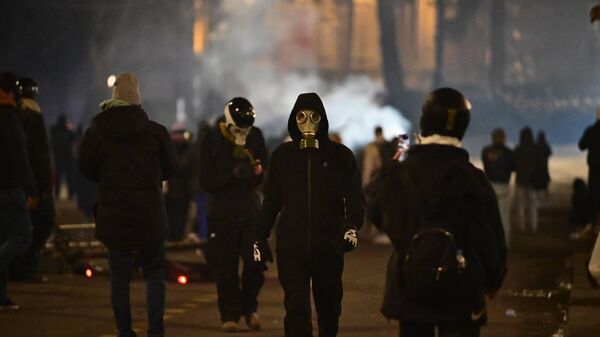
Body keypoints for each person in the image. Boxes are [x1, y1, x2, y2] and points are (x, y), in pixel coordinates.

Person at [367, 88, 507, 337]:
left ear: (425, 120)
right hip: (461, 285)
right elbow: (490, 234)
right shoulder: (473, 178)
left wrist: (397, 160)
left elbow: (376, 207)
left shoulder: (401, 171)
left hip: (411, 282)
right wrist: (494, 277)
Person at [257, 92, 365, 337]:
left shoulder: (340, 156)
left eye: (314, 117)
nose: (307, 123)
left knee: (329, 309)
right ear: (293, 120)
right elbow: (271, 200)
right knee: (296, 310)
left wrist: (351, 226)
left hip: (329, 245)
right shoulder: (283, 156)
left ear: (322, 120)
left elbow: (354, 195)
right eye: (302, 117)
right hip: (291, 247)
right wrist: (259, 236)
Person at [79, 72, 178, 337]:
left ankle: (125, 330)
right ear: (137, 98)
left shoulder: (97, 132)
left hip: (114, 214)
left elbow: (86, 169)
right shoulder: (155, 132)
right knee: (155, 274)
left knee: (119, 277)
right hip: (150, 215)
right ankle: (156, 329)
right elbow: (171, 168)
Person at [198, 97, 268, 332]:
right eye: (239, 130)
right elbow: (205, 179)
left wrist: (256, 173)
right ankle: (230, 314)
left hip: (250, 212)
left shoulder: (255, 136)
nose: (243, 134)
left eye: (246, 130)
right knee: (225, 267)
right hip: (222, 213)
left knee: (256, 263)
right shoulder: (211, 139)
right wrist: (232, 175)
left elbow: (264, 172)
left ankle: (250, 308)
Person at [9, 77, 55, 282]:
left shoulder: (13, 113)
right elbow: (40, 155)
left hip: (13, 181)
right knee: (41, 223)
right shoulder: (34, 115)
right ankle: (25, 268)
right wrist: (44, 187)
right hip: (31, 182)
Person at [0, 71, 35, 309]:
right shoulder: (8, 116)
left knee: (3, 237)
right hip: (10, 186)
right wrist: (31, 188)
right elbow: (20, 155)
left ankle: (1, 297)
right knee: (23, 234)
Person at [481, 128, 515, 246]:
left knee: (489, 218)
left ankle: (490, 243)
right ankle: (505, 243)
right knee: (504, 217)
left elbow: (485, 165)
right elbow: (513, 167)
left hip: (490, 185)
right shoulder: (509, 152)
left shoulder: (486, 151)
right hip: (504, 186)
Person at [165, 127, 193, 242]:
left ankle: (175, 237)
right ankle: (174, 237)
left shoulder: (185, 148)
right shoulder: (177, 148)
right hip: (175, 189)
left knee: (178, 216)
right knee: (174, 216)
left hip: (180, 189)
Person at [514, 127, 539, 234]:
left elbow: (514, 164)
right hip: (532, 181)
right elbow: (538, 165)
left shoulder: (518, 149)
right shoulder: (535, 149)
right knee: (533, 205)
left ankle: (521, 226)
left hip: (520, 180)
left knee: (520, 204)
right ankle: (533, 226)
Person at [578, 107, 600, 225]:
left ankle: (593, 223)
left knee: (594, 196)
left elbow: (581, 146)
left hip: (594, 169)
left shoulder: (591, 131)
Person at [51, 113, 76, 199]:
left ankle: (58, 193)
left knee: (59, 176)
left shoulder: (54, 129)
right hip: (67, 157)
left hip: (59, 157)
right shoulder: (66, 129)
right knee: (69, 177)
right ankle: (71, 194)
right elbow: (74, 138)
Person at [533, 131, 552, 197]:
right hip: (544, 172)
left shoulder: (535, 146)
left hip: (536, 173)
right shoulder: (546, 146)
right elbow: (550, 153)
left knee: (536, 193)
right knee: (545, 192)